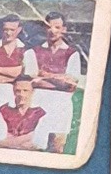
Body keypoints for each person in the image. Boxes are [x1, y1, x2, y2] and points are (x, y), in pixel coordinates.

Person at [33, 10, 84, 154]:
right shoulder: (35, 51)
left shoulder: (72, 53)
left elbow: (70, 84)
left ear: (64, 29)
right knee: (35, 146)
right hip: (38, 102)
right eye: (49, 27)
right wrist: (59, 80)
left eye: (57, 27)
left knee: (57, 147)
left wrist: (45, 75)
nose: (52, 31)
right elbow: (33, 81)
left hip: (61, 105)